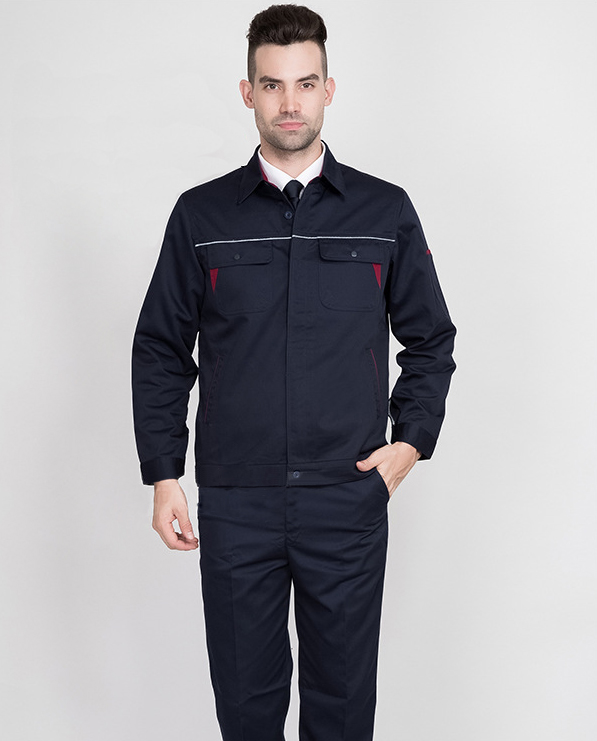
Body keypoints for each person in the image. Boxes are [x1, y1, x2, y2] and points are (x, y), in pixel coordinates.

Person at [132, 4, 456, 740]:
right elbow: (160, 347)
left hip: (346, 495)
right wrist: (163, 474)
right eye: (272, 84)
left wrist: (408, 444)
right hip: (236, 502)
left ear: (328, 90)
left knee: (341, 709)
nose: (289, 102)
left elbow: (430, 338)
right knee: (246, 710)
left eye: (305, 83)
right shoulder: (201, 216)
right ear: (247, 92)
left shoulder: (383, 210)